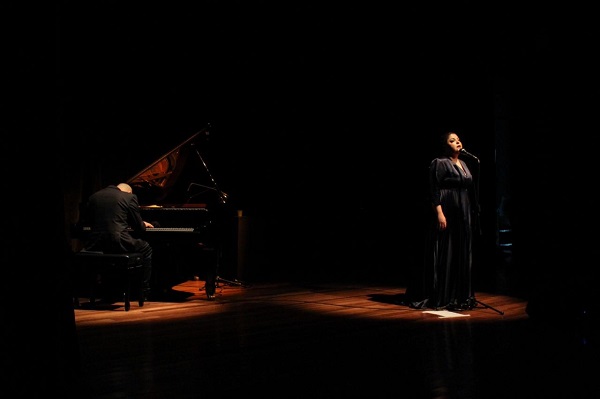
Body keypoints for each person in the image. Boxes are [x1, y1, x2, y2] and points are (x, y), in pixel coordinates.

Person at [405, 131, 478, 311]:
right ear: (446, 146)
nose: (457, 142)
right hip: (448, 208)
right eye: (452, 141)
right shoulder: (440, 163)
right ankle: (443, 295)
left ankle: (460, 295)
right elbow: (433, 188)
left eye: (458, 139)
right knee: (448, 250)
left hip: (463, 210)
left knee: (462, 251)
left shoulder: (464, 163)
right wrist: (439, 212)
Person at [81, 183, 154, 300]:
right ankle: (143, 291)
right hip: (117, 240)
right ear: (128, 192)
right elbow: (139, 227)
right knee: (146, 248)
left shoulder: (94, 196)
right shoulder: (129, 197)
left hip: (95, 242)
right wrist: (143, 223)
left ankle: (106, 288)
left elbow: (87, 221)